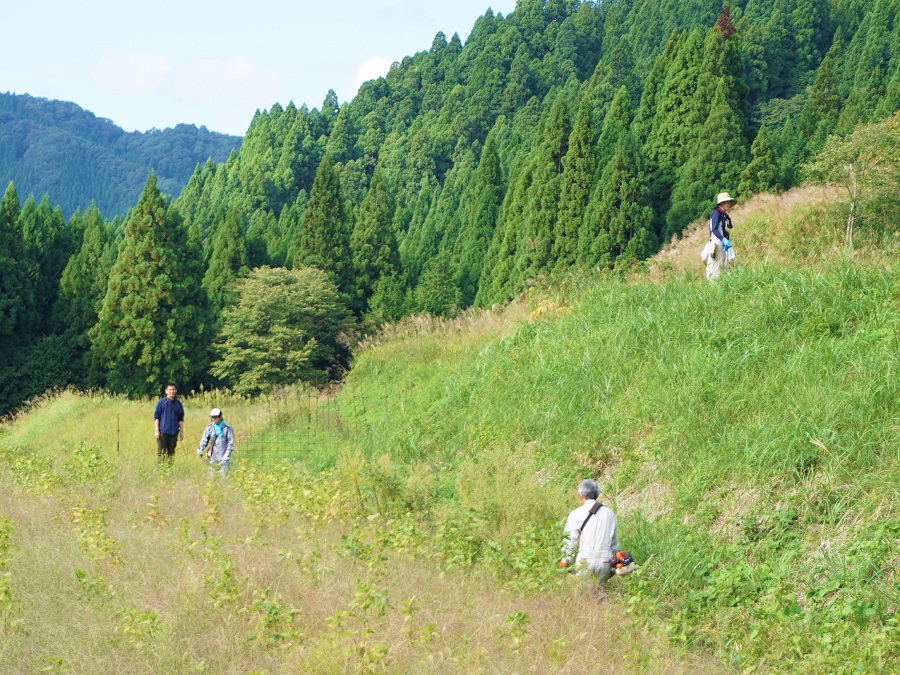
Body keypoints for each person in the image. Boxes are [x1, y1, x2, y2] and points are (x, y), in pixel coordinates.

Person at [560, 479, 620, 601]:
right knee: (601, 594)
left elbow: (571, 540)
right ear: (597, 495)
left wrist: (565, 559)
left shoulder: (576, 514)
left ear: (581, 495)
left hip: (585, 560)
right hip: (605, 561)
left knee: (583, 596)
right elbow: (614, 543)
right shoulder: (610, 514)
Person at [196, 408, 235, 476]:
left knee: (223, 478)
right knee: (211, 478)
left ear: (220, 417)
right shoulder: (209, 427)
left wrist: (227, 455)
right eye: (212, 417)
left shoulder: (227, 428)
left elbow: (230, 443)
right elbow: (205, 439)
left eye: (215, 417)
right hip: (213, 457)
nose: (213, 419)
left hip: (223, 457)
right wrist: (201, 448)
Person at [706, 191, 736, 281]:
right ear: (722, 203)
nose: (729, 204)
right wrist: (723, 239)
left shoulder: (722, 214)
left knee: (721, 268)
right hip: (717, 244)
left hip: (721, 244)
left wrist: (728, 219)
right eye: (727, 202)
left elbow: (727, 228)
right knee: (717, 270)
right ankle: (715, 291)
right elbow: (714, 229)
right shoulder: (716, 213)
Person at [153, 383, 184, 462]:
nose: (172, 391)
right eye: (170, 390)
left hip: (174, 433)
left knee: (171, 454)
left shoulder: (178, 404)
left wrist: (181, 432)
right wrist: (157, 431)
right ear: (166, 391)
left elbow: (180, 418)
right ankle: (161, 471)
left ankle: (170, 471)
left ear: (176, 391)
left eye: (173, 389)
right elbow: (156, 417)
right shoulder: (161, 402)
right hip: (163, 432)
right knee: (161, 453)